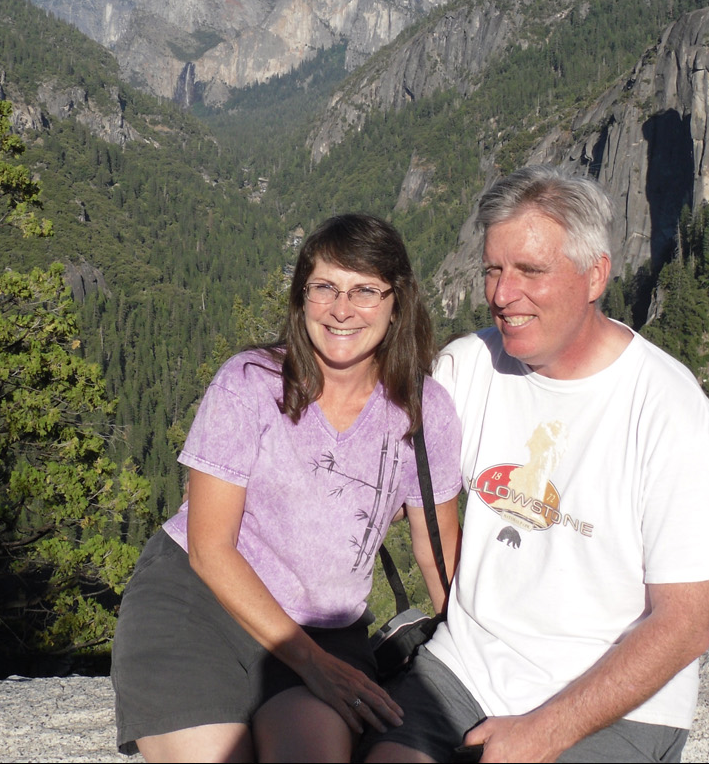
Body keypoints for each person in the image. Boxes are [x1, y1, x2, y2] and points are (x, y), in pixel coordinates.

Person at [366, 167, 709, 764]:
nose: (501, 294)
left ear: (595, 274)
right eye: (494, 270)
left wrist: (547, 730)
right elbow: (376, 478)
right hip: (466, 669)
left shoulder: (668, 411)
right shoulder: (469, 368)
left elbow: (685, 624)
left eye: (530, 271)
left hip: (615, 702)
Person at [112, 214, 464, 763]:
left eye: (366, 290)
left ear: (398, 301)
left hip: (325, 627)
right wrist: (312, 666)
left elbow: (437, 551)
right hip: (196, 608)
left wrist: (484, 660)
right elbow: (210, 547)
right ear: (302, 298)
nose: (342, 309)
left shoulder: (425, 411)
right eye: (324, 287)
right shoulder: (249, 383)